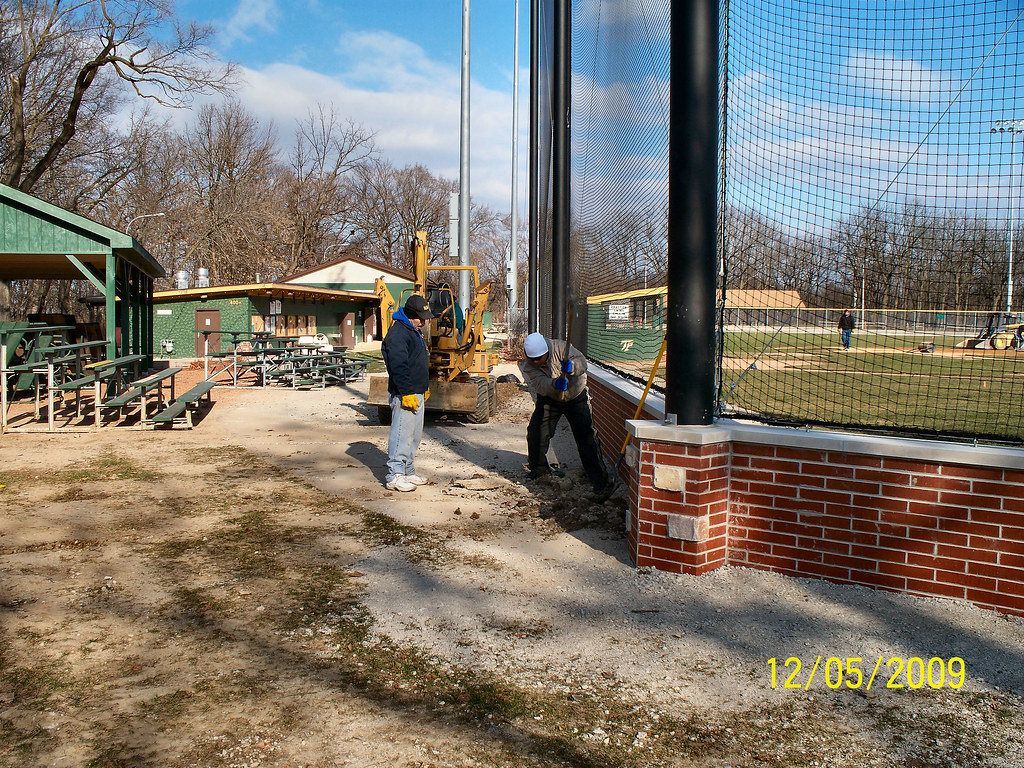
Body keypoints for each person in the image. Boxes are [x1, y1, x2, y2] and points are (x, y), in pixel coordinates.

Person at [518, 331, 616, 501]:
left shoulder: (562, 347)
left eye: (538, 359)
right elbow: (540, 384)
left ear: (546, 352)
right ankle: (538, 470)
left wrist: (572, 366)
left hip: (575, 397)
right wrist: (554, 384)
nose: (535, 362)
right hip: (549, 399)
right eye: (532, 359)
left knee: (585, 435)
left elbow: (582, 363)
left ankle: (597, 477)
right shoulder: (529, 365)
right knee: (536, 432)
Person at [381, 294, 435, 492]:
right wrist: (406, 392)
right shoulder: (398, 334)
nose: (423, 322)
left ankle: (408, 470)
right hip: (405, 394)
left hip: (416, 392)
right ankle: (394, 474)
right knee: (402, 435)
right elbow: (398, 366)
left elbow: (415, 362)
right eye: (420, 318)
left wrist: (423, 386)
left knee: (413, 436)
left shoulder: (412, 331)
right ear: (410, 315)